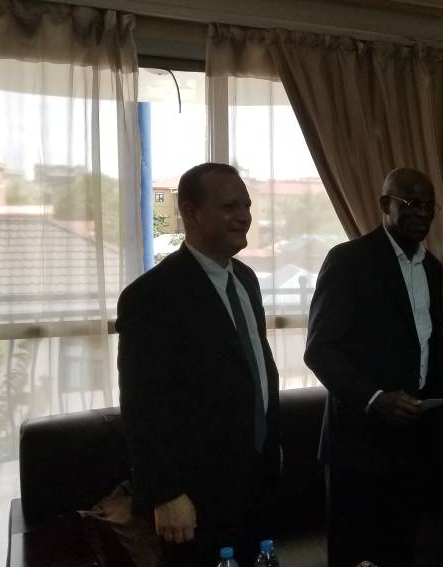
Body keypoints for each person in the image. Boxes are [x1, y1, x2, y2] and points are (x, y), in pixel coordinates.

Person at [305, 167, 443, 567]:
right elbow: (320, 350)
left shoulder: (432, 267)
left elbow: (425, 342)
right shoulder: (348, 261)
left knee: (401, 548)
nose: (423, 213)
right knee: (355, 555)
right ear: (385, 204)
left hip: (412, 441)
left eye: (429, 206)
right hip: (358, 443)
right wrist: (375, 398)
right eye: (412, 203)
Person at [117, 163, 281, 566]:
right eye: (229, 206)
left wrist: (271, 443)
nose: (244, 216)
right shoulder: (153, 295)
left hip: (256, 478)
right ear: (191, 213)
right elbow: (142, 402)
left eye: (246, 205)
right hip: (196, 492)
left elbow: (254, 370)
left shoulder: (246, 280)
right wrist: (165, 492)